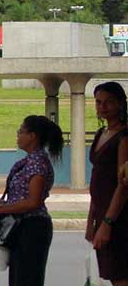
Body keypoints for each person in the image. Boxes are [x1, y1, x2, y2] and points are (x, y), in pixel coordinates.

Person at [0, 115, 63, 286]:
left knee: (27, 278)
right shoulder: (30, 161)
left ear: (32, 136)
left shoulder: (36, 162)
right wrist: (7, 204)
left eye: (21, 131)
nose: (17, 135)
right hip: (22, 227)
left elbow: (33, 202)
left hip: (32, 227)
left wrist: (2, 209)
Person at [87, 82, 128, 285]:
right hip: (101, 211)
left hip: (119, 216)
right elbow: (97, 180)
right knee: (111, 274)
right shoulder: (100, 134)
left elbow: (123, 185)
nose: (102, 107)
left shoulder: (124, 137)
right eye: (98, 102)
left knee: (120, 274)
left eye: (109, 102)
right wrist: (91, 220)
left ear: (120, 104)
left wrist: (107, 224)